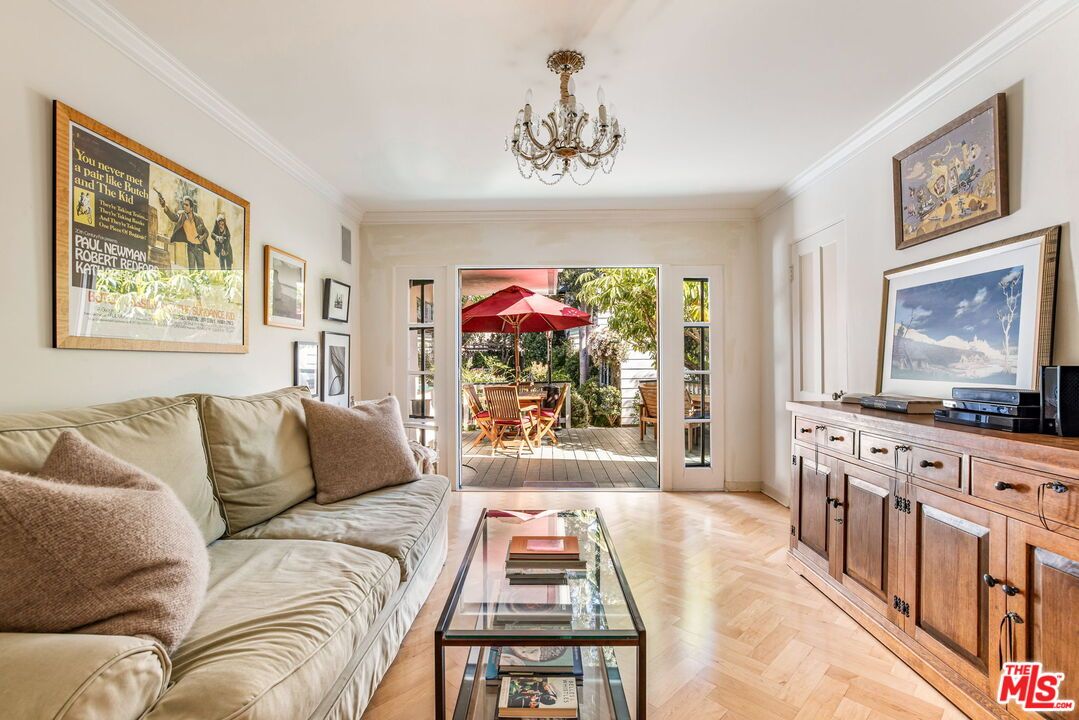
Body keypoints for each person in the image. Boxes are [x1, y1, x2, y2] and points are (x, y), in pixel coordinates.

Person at [158, 193, 209, 270]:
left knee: (201, 271)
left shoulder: (198, 219)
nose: (184, 206)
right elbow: (173, 217)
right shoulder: (182, 215)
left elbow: (206, 232)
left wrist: (202, 238)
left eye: (186, 205)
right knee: (191, 272)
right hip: (190, 247)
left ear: (191, 208)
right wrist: (164, 206)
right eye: (184, 204)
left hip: (199, 248)